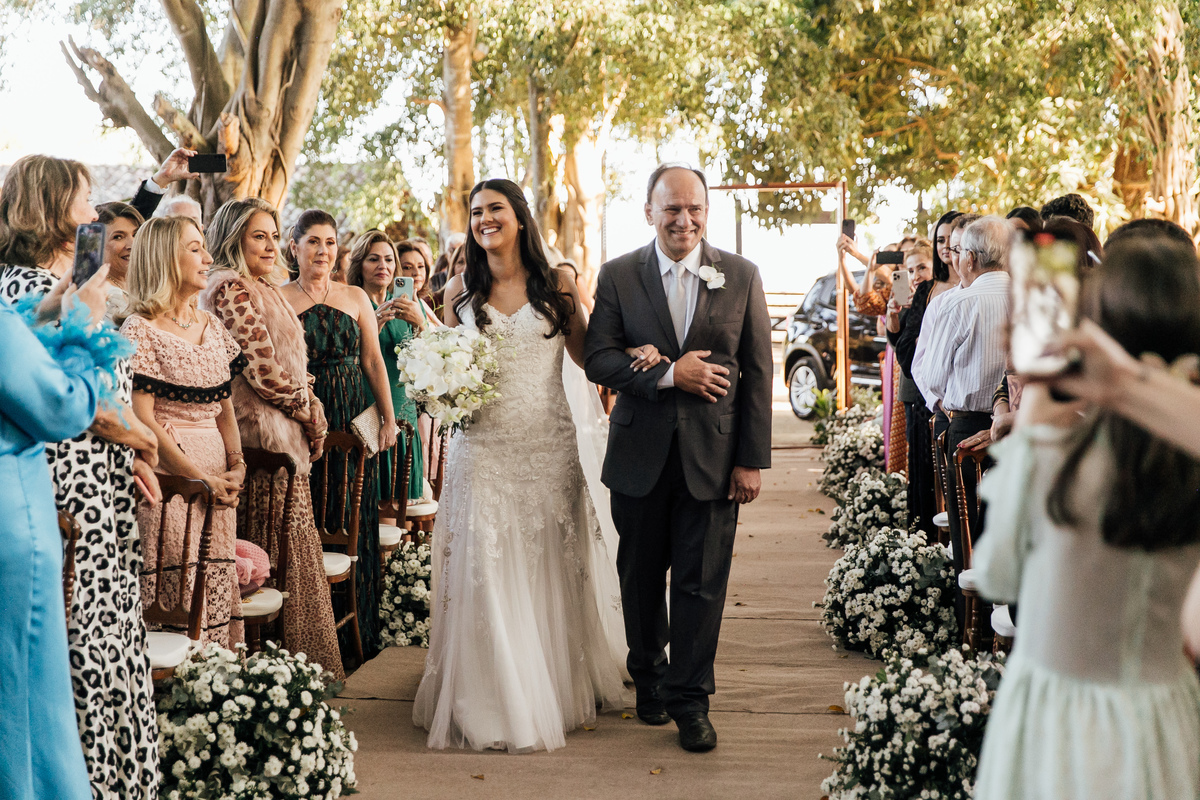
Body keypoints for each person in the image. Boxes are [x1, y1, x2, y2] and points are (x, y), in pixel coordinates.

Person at [413, 178, 642, 753]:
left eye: (495, 209)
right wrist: (436, 385)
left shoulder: (557, 283)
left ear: (519, 217)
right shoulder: (459, 294)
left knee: (545, 564)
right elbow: (449, 361)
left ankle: (551, 686)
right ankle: (490, 699)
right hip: (482, 449)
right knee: (485, 570)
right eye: (475, 212)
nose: (484, 219)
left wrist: (637, 351)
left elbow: (589, 356)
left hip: (547, 445)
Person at [973, 236, 1200, 799]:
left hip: (1054, 723)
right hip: (1160, 722)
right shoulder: (1189, 469)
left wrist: (1039, 410)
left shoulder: (1055, 454)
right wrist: (1129, 386)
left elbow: (997, 576)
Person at [584, 164, 774, 753]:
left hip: (713, 460)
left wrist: (751, 461)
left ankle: (691, 700)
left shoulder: (739, 275)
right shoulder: (618, 275)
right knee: (640, 579)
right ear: (649, 212)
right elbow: (598, 359)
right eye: (672, 210)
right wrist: (669, 374)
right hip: (639, 455)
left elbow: (759, 373)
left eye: (694, 209)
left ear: (706, 213)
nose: (684, 220)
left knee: (701, 583)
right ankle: (649, 679)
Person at [0, 154, 162, 796]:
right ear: (50, 205)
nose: (95, 216)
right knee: (62, 660)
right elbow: (73, 403)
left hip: (88, 484)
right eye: (85, 201)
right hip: (64, 494)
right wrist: (140, 436)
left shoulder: (61, 285)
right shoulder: (20, 292)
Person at [199, 197, 344, 679]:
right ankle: (273, 674)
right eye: (258, 235)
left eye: (272, 234)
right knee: (271, 559)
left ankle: (300, 675)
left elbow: (294, 371)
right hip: (260, 441)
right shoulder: (231, 289)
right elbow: (263, 372)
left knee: (295, 558)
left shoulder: (264, 286)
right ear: (233, 237)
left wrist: (311, 408)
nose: (269, 244)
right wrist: (313, 419)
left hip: (285, 435)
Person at [0, 266, 117, 800]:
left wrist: (41, 316)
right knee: (24, 696)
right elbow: (61, 405)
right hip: (12, 528)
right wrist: (82, 328)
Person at [123, 215, 248, 649]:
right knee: (179, 585)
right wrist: (199, 478)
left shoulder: (213, 327)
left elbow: (225, 409)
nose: (208, 257)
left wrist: (237, 465)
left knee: (214, 580)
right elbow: (144, 422)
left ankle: (219, 688)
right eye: (195, 248)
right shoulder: (139, 330)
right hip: (172, 484)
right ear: (163, 258)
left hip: (219, 484)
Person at [281, 210, 397, 664]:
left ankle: (358, 636)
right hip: (304, 417)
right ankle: (312, 638)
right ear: (295, 247)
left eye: (330, 243)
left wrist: (386, 418)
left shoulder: (354, 297)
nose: (322, 251)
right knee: (311, 515)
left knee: (354, 512)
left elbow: (373, 362)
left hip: (351, 413)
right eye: (313, 242)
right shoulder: (280, 297)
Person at [914, 215, 1013, 626]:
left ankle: (970, 627)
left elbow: (931, 376)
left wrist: (944, 406)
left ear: (968, 258)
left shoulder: (956, 303)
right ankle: (1008, 620)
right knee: (1009, 529)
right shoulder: (1031, 297)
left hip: (967, 428)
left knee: (967, 533)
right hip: (1021, 426)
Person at [891, 212, 960, 536]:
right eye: (941, 241)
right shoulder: (927, 290)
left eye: (952, 241)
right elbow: (906, 346)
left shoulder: (972, 286)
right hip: (922, 396)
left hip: (961, 400)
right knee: (923, 475)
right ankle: (922, 543)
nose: (947, 247)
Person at [346, 230, 423, 505]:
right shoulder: (351, 303)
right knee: (365, 503)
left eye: (389, 260)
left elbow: (429, 359)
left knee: (399, 505)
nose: (383, 266)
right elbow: (346, 360)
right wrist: (370, 329)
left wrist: (421, 323)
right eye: (374, 259)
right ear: (360, 265)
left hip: (404, 412)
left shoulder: (411, 304)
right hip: (366, 410)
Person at [96, 201, 145, 321]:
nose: (132, 244)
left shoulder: (151, 284)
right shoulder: (101, 296)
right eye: (118, 237)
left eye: (136, 234)